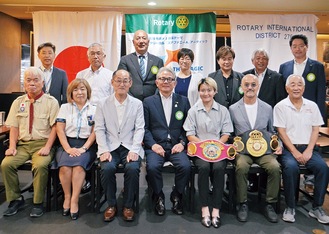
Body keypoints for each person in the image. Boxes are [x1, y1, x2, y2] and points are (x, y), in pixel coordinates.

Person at [1, 67, 59, 217]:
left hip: (43, 144)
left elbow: (55, 128)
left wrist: (48, 147)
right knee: (6, 164)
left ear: (43, 82)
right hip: (23, 145)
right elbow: (13, 126)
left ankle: (38, 202)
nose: (32, 83)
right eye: (28, 80)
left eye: (36, 80)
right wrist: (12, 146)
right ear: (24, 83)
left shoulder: (51, 102)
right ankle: (15, 199)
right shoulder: (18, 102)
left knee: (40, 165)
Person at [273, 74, 329, 224]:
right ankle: (290, 207)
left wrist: (309, 150)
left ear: (304, 88)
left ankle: (317, 207)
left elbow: (315, 130)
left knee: (323, 168)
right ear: (287, 88)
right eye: (292, 84)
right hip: (288, 148)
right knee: (291, 167)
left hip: (309, 147)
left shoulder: (312, 106)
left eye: (299, 84)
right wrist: (295, 152)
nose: (296, 87)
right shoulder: (280, 106)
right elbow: (281, 132)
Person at [229, 74, 281, 223]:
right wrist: (234, 146)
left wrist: (279, 146)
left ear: (258, 86)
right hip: (243, 152)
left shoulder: (267, 107)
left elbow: (273, 132)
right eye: (247, 85)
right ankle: (242, 203)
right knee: (241, 166)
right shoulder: (233, 108)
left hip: (264, 152)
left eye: (253, 84)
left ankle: (270, 204)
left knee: (275, 167)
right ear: (242, 87)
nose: (250, 88)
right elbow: (230, 133)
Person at [94, 69, 144, 222]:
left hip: (130, 145)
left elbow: (140, 128)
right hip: (110, 145)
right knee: (107, 168)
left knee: (133, 168)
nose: (122, 84)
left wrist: (135, 149)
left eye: (125, 81)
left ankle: (128, 205)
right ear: (112, 82)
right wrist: (103, 150)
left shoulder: (137, 103)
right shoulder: (102, 103)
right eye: (118, 80)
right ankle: (111, 204)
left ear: (130, 83)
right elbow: (99, 129)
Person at [279, 34, 327, 194]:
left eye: (301, 46)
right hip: (290, 113)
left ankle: (310, 182)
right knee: (289, 150)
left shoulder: (317, 66)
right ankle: (289, 183)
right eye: (294, 46)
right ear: (291, 48)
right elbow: (281, 92)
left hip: (309, 114)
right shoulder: (284, 67)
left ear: (306, 47)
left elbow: (320, 93)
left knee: (311, 149)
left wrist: (320, 118)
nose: (298, 49)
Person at [183, 77, 233, 228]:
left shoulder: (223, 110)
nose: (206, 93)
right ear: (199, 92)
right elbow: (189, 134)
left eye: (209, 90)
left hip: (218, 150)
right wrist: (204, 145)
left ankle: (216, 210)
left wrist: (217, 145)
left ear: (215, 91)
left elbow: (226, 133)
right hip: (200, 150)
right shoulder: (193, 111)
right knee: (204, 167)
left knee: (218, 168)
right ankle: (205, 209)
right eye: (203, 90)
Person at [143, 67, 191, 216]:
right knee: (151, 167)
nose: (166, 82)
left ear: (175, 83)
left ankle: (177, 195)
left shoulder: (183, 101)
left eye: (169, 79)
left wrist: (182, 143)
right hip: (156, 146)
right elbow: (144, 128)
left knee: (185, 166)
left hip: (176, 146)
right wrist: (153, 144)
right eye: (162, 79)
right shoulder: (148, 102)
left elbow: (188, 127)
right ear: (157, 82)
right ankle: (158, 196)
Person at [243, 48, 286, 192]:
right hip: (248, 122)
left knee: (266, 152)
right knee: (248, 150)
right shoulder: (244, 76)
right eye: (257, 58)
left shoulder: (276, 77)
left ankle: (264, 184)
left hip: (268, 122)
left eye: (263, 58)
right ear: (252, 61)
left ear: (268, 61)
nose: (260, 61)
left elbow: (279, 101)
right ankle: (253, 183)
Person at [54, 79, 97, 220]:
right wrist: (67, 148)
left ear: (88, 91)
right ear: (71, 93)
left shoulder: (95, 108)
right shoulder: (65, 107)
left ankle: (74, 200)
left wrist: (84, 148)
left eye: (83, 89)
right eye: (76, 90)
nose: (80, 92)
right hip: (67, 144)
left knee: (78, 167)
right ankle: (67, 197)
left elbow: (94, 132)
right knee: (65, 167)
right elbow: (60, 130)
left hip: (87, 145)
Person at [117, 30, 164, 101]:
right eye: (138, 38)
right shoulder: (125, 60)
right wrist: (129, 97)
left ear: (148, 42)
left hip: (153, 101)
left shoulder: (157, 61)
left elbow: (161, 81)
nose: (141, 41)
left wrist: (155, 97)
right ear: (133, 42)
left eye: (144, 38)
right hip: (131, 100)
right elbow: (121, 81)